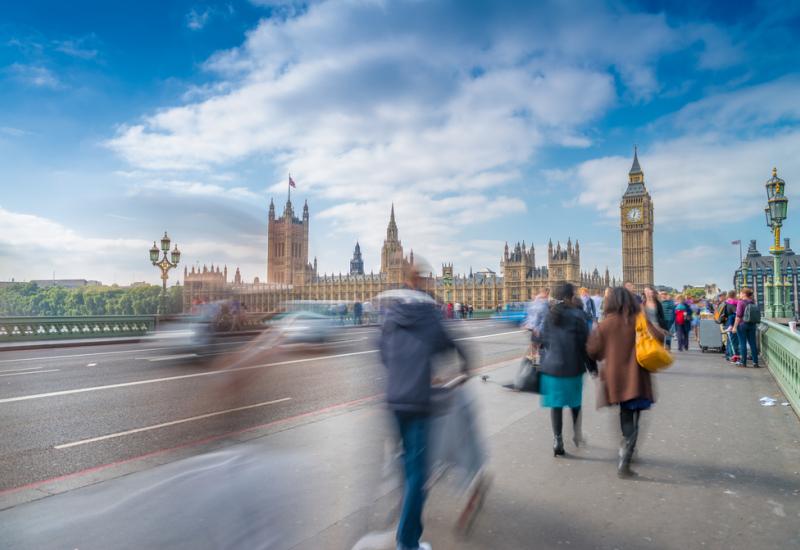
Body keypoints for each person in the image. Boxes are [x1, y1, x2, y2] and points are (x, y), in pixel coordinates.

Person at [379, 259, 469, 550]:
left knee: (407, 463)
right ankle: (407, 541)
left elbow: (382, 352)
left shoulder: (392, 313)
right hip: (418, 399)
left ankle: (406, 522)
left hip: (394, 398)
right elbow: (451, 344)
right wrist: (464, 368)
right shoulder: (428, 314)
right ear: (423, 282)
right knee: (418, 471)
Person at [587, 286, 662, 478]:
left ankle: (626, 450)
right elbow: (659, 338)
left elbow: (592, 351)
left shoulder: (605, 324)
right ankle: (626, 455)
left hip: (616, 379)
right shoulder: (639, 319)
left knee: (626, 413)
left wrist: (598, 367)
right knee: (635, 415)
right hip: (638, 376)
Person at [539, 284, 597, 456]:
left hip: (552, 368)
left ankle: (557, 440)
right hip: (573, 366)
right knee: (575, 404)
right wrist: (592, 367)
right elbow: (584, 345)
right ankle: (577, 435)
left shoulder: (550, 315)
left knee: (556, 406)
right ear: (569, 297)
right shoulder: (578, 315)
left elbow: (544, 341)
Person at [732, 288, 760, 368]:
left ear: (744, 294)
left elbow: (738, 316)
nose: (739, 295)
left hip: (742, 325)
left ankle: (743, 362)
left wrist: (734, 327)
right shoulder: (753, 302)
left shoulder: (741, 303)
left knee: (742, 343)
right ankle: (755, 362)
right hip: (752, 325)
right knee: (753, 344)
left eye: (740, 293)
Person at [525, 288, 550, 364]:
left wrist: (528, 324)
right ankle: (534, 362)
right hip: (537, 328)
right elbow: (536, 315)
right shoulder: (541, 301)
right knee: (537, 345)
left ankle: (533, 362)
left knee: (535, 345)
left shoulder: (539, 301)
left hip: (536, 328)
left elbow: (534, 314)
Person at [722, 290, 740, 363]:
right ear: (734, 295)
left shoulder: (725, 303)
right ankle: (732, 356)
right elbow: (737, 314)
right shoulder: (733, 304)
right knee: (733, 341)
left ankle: (728, 355)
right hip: (731, 324)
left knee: (729, 341)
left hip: (726, 324)